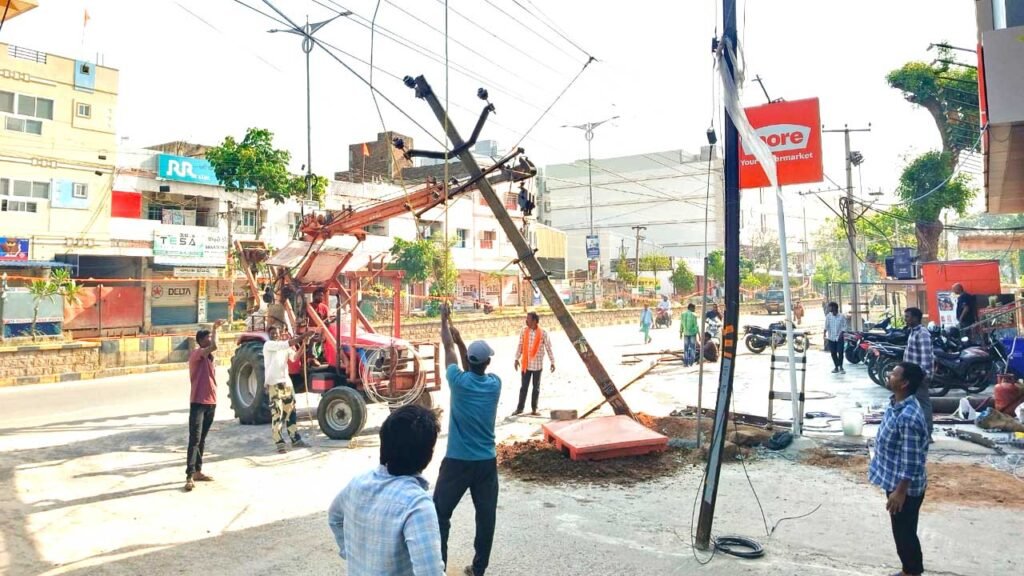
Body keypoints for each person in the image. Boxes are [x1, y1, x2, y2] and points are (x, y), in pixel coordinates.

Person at [328, 405, 444, 576]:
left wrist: (353, 555)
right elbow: (429, 572)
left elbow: (334, 517)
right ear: (428, 454)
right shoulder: (417, 505)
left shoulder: (358, 483)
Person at [435, 305, 501, 576]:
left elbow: (448, 348)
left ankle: (438, 567)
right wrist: (462, 340)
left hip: (457, 461)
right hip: (486, 463)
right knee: (486, 517)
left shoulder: (457, 382)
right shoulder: (495, 384)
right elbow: (466, 361)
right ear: (487, 363)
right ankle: (478, 569)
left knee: (439, 513)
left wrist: (444, 321)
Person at [869, 361, 929, 576]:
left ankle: (912, 572)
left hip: (905, 488)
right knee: (902, 530)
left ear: (904, 384)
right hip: (895, 481)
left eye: (894, 374)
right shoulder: (896, 404)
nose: (889, 375)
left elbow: (911, 460)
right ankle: (909, 570)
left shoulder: (908, 416)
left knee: (905, 533)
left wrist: (900, 492)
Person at [185, 319, 225, 492]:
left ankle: (197, 471)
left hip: (211, 402)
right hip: (198, 402)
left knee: (201, 439)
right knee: (194, 439)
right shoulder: (197, 354)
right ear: (200, 341)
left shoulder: (209, 358)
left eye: (210, 337)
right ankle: (189, 475)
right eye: (207, 337)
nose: (210, 340)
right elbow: (215, 345)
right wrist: (215, 328)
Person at [264, 326, 313, 453]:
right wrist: (303, 336)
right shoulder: (268, 345)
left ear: (280, 334)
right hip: (274, 384)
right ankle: (279, 442)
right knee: (277, 413)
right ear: (269, 335)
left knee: (291, 411)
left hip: (286, 383)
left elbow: (295, 357)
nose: (274, 335)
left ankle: (295, 438)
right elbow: (286, 344)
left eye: (276, 333)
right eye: (272, 333)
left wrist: (304, 344)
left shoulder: (284, 347)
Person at [512, 312, 555, 416]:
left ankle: (534, 409)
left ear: (535, 321)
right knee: (523, 387)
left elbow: (548, 348)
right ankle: (520, 408)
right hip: (526, 365)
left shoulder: (543, 333)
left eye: (528, 319)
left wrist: (552, 362)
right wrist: (516, 358)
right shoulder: (524, 331)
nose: (526, 321)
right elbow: (520, 345)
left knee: (536, 388)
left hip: (537, 365)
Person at [902, 307, 934, 437]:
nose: (905, 319)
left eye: (907, 317)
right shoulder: (913, 332)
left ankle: (927, 433)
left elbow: (926, 356)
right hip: (910, 375)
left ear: (915, 318)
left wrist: (924, 375)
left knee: (923, 403)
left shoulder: (922, 333)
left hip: (919, 376)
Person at [824, 302, 847, 375]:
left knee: (840, 352)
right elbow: (826, 326)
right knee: (833, 353)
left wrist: (841, 333)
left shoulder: (842, 316)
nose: (829, 308)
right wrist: (824, 334)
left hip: (839, 337)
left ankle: (841, 367)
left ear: (834, 307)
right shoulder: (828, 316)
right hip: (831, 337)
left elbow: (844, 326)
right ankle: (836, 367)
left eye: (830, 307)